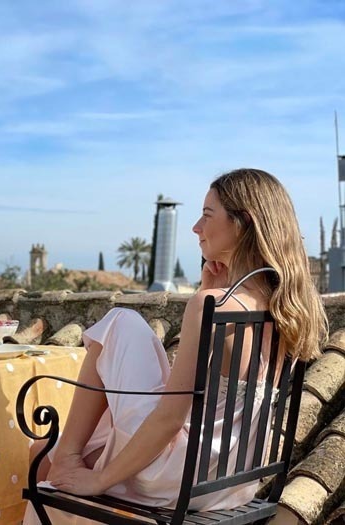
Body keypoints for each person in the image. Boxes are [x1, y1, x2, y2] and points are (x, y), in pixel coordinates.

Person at [24, 168, 327, 523]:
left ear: (242, 224)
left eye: (207, 215)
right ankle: (67, 455)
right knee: (47, 451)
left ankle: (68, 456)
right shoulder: (289, 309)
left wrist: (99, 480)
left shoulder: (214, 305)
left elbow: (170, 419)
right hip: (231, 481)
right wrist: (206, 290)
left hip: (179, 476)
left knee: (120, 321)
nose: (196, 227)